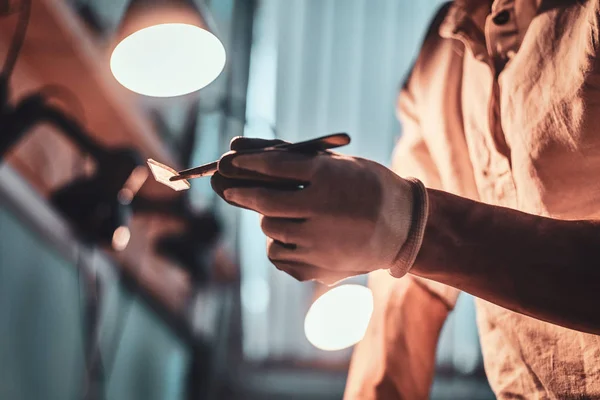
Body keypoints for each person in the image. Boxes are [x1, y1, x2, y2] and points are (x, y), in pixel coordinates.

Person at [211, 0, 600, 398]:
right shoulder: (442, 52)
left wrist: (407, 223)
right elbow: (408, 292)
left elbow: (407, 235)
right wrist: (392, 233)